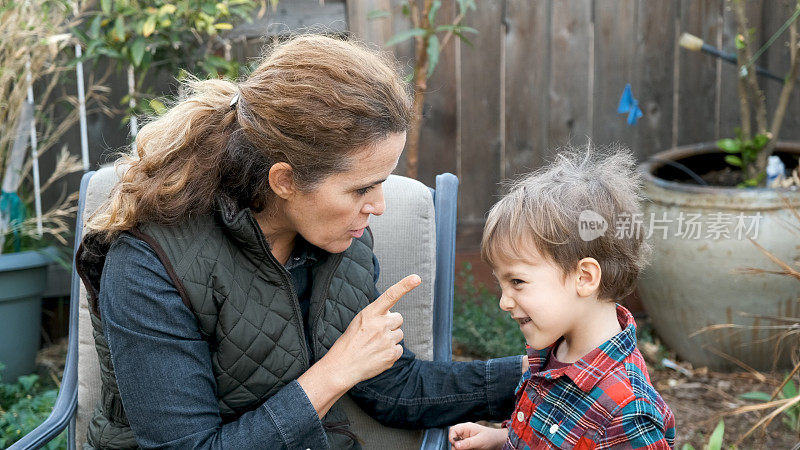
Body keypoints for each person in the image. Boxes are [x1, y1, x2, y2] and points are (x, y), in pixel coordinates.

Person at [76, 35, 524, 449]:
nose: (379, 207)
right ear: (285, 180)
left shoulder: (337, 241)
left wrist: (540, 373)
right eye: (361, 189)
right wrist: (334, 372)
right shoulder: (148, 267)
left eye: (381, 184)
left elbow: (392, 390)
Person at [448, 145, 676, 449]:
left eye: (517, 281)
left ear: (584, 278)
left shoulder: (627, 413)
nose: (504, 301)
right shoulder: (553, 350)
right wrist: (501, 438)